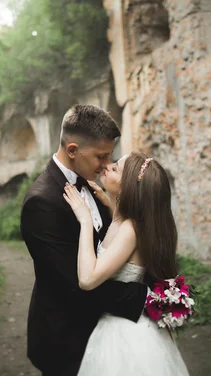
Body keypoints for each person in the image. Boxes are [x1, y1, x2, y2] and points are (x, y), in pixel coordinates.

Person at [20, 104, 148, 376]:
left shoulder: (91, 185)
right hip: (67, 338)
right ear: (73, 151)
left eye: (109, 156)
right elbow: (76, 285)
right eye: (100, 157)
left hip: (104, 331)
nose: (106, 166)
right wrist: (148, 297)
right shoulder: (41, 203)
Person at [63, 151, 190, 375]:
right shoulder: (126, 222)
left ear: (128, 188)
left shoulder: (131, 230)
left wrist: (84, 220)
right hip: (119, 326)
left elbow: (87, 279)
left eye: (116, 169)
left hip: (124, 337)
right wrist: (111, 203)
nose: (107, 166)